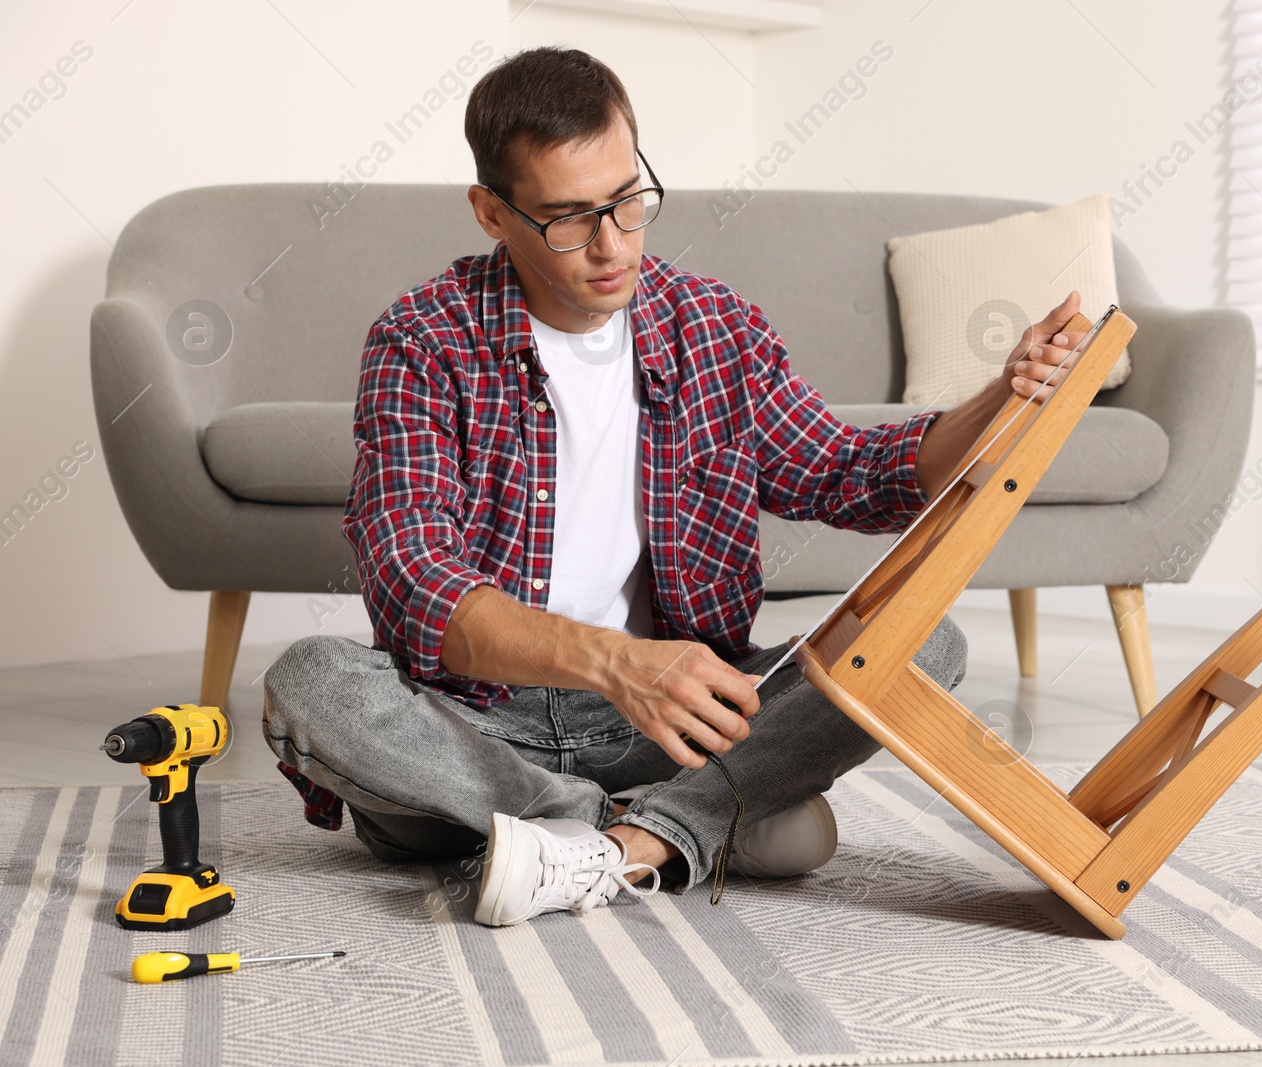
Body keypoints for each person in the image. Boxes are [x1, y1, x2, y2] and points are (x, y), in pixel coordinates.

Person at [262, 46, 1086, 925]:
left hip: (675, 728)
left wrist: (1001, 396)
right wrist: (620, 664)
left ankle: (618, 844)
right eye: (569, 219)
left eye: (627, 201)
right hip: (476, 732)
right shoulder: (422, 339)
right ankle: (686, 821)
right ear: (492, 214)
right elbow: (415, 581)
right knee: (310, 681)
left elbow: (848, 472)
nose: (612, 246)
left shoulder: (712, 324)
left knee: (927, 642)